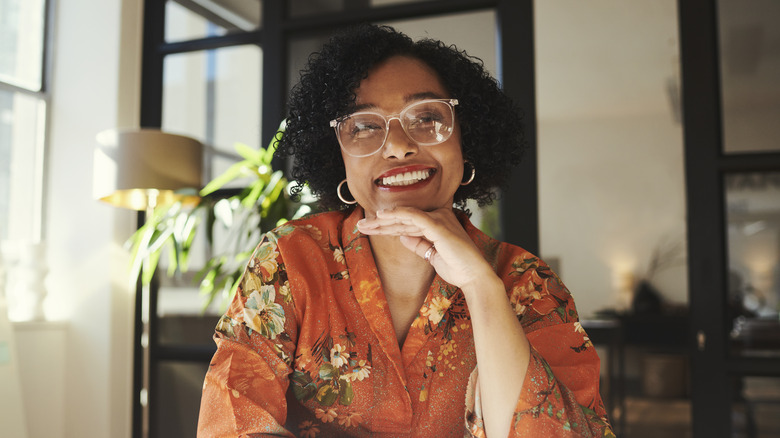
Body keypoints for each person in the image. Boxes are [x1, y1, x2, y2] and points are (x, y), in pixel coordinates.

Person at [197, 24, 613, 438]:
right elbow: (230, 426)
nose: (397, 145)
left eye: (427, 117)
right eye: (363, 126)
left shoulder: (528, 285)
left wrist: (482, 288)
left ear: (466, 141)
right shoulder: (289, 261)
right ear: (337, 156)